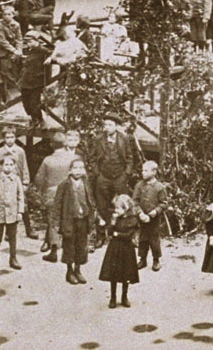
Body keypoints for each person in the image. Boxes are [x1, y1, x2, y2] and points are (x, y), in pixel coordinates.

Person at [34, 129, 81, 262]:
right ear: (65, 143)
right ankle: (70, 249)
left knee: (53, 221)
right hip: (69, 193)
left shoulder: (48, 160)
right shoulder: (74, 158)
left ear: (51, 145)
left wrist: (43, 190)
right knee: (68, 220)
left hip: (51, 194)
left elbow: (38, 179)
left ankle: (53, 250)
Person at [88, 114, 139, 235]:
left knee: (124, 204)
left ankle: (125, 232)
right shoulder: (98, 139)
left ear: (116, 126)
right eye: (105, 124)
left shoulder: (124, 139)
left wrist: (126, 173)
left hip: (120, 176)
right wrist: (97, 174)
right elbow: (92, 159)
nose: (107, 127)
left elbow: (130, 158)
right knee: (101, 205)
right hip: (103, 177)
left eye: (110, 125)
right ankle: (101, 234)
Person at [52, 156, 96, 284]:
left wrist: (92, 217)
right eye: (75, 168)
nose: (78, 170)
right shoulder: (64, 185)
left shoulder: (86, 183)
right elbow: (57, 204)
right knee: (69, 246)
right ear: (70, 171)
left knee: (81, 246)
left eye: (81, 168)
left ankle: (78, 269)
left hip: (83, 220)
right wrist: (56, 222)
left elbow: (90, 200)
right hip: (69, 221)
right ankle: (69, 271)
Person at [100, 193, 140, 308]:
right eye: (116, 207)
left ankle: (124, 297)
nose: (116, 210)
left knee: (126, 274)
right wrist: (112, 224)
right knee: (113, 273)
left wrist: (117, 234)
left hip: (127, 248)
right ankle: (113, 297)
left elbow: (129, 235)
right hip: (115, 248)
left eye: (118, 208)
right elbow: (110, 232)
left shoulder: (132, 219)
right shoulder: (115, 218)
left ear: (126, 208)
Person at [0, 153, 25, 272]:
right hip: (0, 213)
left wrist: (20, 211)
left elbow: (20, 196)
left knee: (12, 236)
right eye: (6, 164)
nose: (8, 167)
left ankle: (13, 258)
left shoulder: (16, 179)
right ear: (2, 166)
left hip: (13, 213)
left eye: (11, 164)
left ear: (14, 166)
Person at [133, 160, 169, 272]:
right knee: (142, 238)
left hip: (154, 219)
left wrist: (155, 212)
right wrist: (140, 213)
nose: (142, 173)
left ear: (154, 172)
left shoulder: (159, 187)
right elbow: (134, 201)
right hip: (142, 217)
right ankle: (142, 259)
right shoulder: (139, 186)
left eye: (145, 170)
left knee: (154, 238)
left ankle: (156, 259)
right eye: (142, 170)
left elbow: (164, 203)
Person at [20, 27, 52, 128]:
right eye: (27, 42)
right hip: (26, 80)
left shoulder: (42, 50)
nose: (28, 44)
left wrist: (50, 58)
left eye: (30, 42)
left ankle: (40, 120)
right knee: (25, 103)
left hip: (36, 81)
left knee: (34, 103)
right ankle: (34, 119)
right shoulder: (30, 50)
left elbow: (53, 53)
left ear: (36, 41)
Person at [0, 5, 23, 104]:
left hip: (13, 52)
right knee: (2, 75)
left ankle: (20, 97)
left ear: (13, 15)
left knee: (17, 73)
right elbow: (2, 41)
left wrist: (19, 50)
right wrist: (14, 50)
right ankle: (2, 99)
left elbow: (19, 39)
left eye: (9, 14)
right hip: (2, 52)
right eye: (4, 14)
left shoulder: (16, 24)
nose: (6, 16)